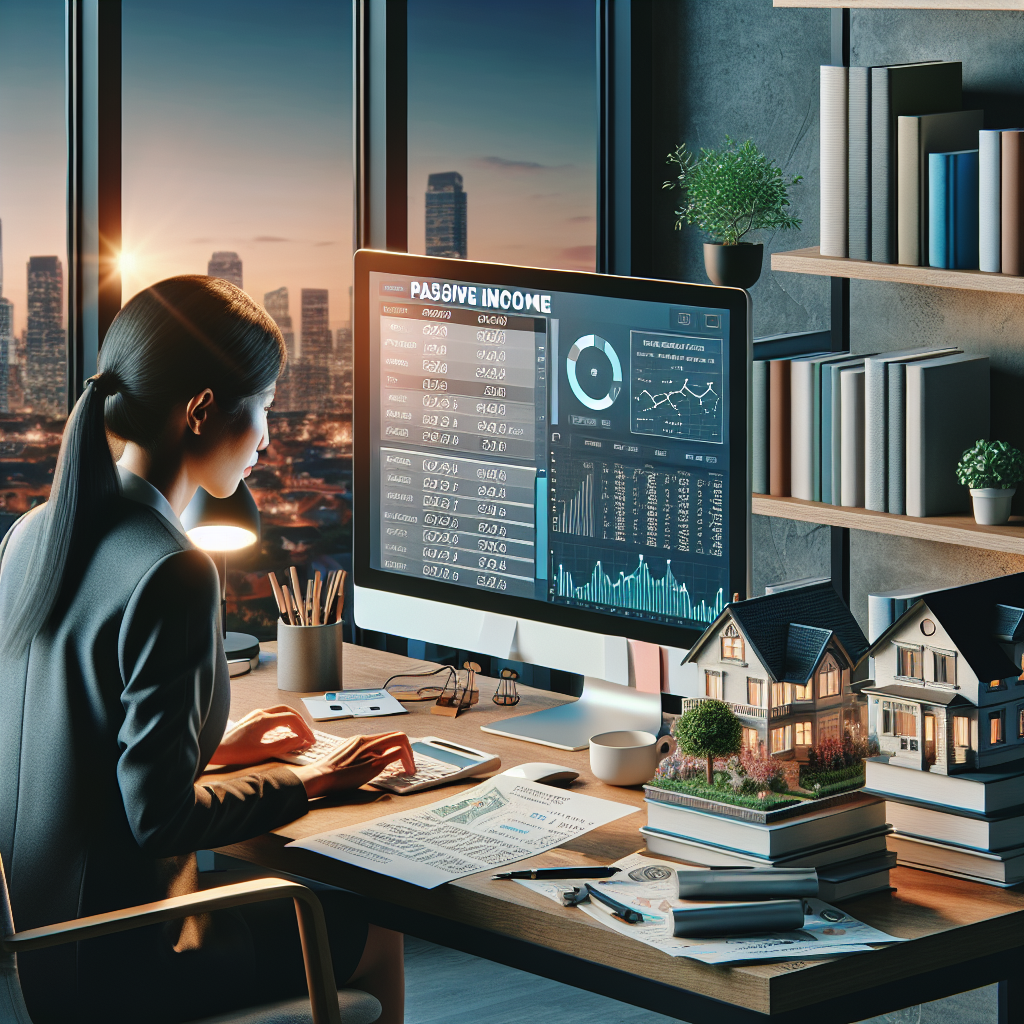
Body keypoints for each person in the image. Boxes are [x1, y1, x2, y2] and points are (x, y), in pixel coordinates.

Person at [0, 276, 414, 1024]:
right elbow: (158, 823)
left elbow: (73, 750)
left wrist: (218, 750)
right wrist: (314, 784)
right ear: (200, 412)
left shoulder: (33, 535)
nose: (267, 440)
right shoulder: (173, 568)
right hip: (130, 962)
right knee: (376, 921)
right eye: (262, 410)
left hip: (41, 956)